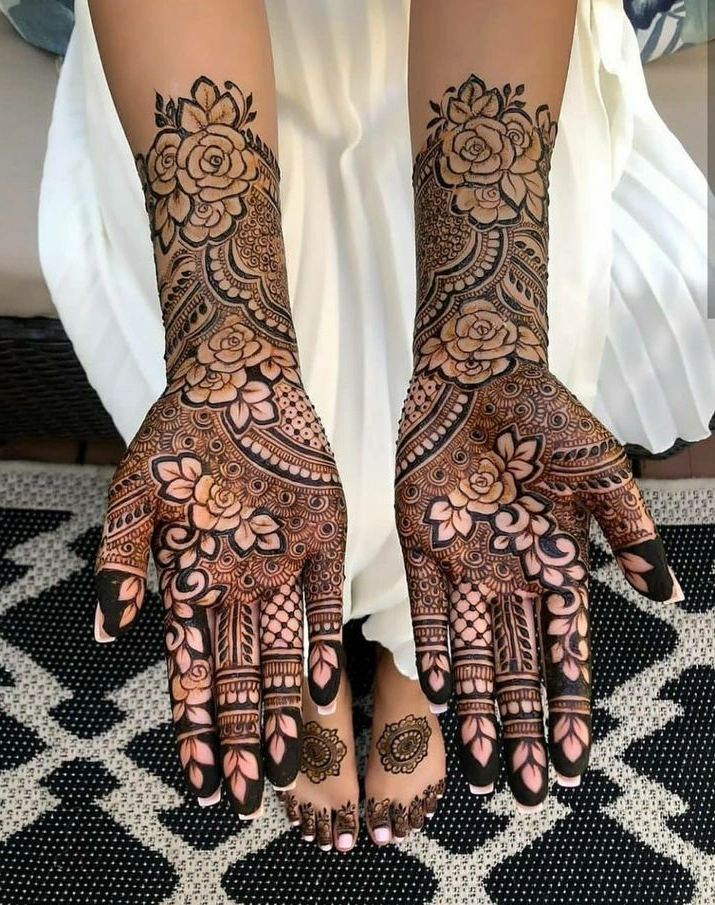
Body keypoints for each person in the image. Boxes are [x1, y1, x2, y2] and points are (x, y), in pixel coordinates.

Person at [39, 0, 712, 854]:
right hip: (181, 46)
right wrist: (224, 346)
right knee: (249, 392)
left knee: (485, 396)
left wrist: (484, 338)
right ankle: (308, 651)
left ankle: (406, 654)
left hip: (495, 39)